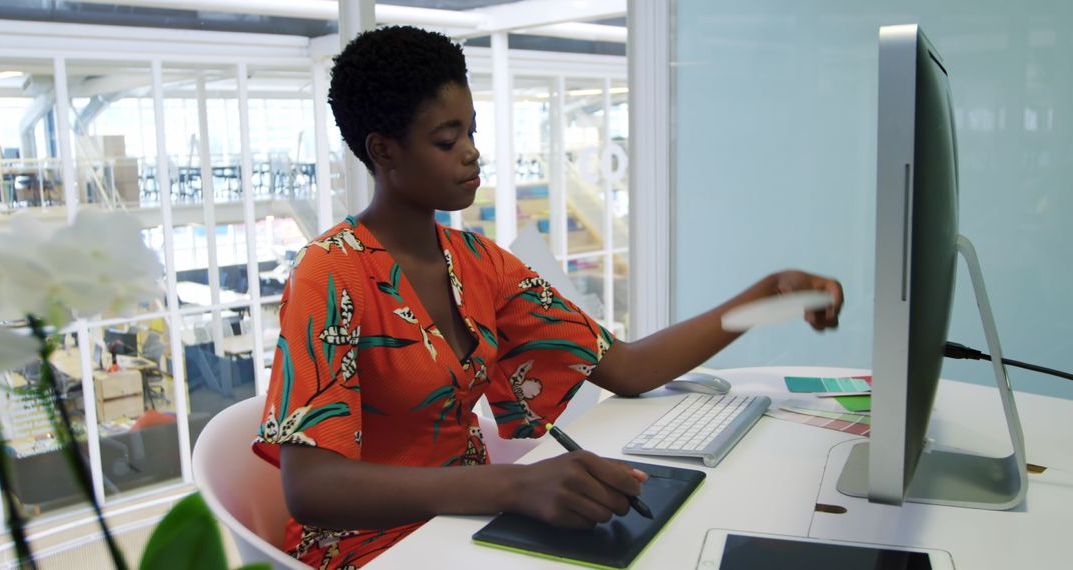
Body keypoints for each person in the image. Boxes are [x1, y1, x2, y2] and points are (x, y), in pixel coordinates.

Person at [252, 26, 844, 569]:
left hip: (465, 527)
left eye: (472, 130)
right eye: (446, 137)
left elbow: (629, 367)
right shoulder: (331, 275)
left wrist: (765, 298)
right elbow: (313, 489)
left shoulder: (478, 263)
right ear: (382, 150)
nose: (471, 151)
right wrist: (513, 487)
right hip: (372, 549)